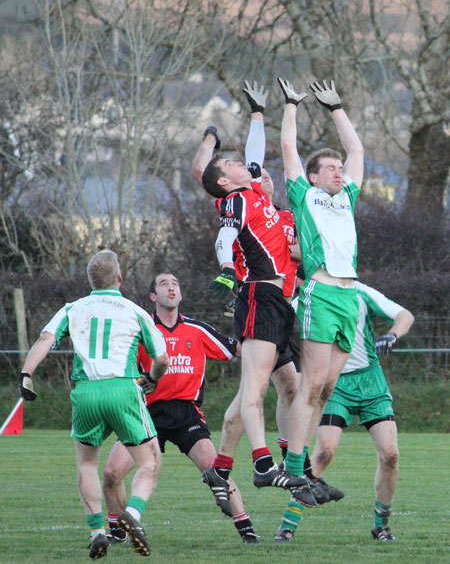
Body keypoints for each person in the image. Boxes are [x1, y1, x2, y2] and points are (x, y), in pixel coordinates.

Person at [197, 80, 316, 507]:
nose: (246, 165)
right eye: (231, 164)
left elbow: (255, 154)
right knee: (257, 390)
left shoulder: (261, 199)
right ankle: (266, 465)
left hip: (280, 305)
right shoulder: (236, 201)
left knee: (273, 386)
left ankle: (222, 469)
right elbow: (224, 238)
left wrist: (258, 112)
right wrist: (227, 270)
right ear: (226, 181)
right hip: (258, 299)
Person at [18, 250, 169, 560]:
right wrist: (152, 378)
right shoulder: (134, 310)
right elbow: (162, 359)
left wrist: (26, 373)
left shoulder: (73, 308)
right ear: (120, 278)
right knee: (149, 462)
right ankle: (134, 514)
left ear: (90, 280)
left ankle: (97, 532)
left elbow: (45, 339)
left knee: (87, 465)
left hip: (85, 392)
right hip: (122, 389)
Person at [102, 272, 261, 544]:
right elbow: (119, 370)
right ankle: (117, 530)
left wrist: (265, 348)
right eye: (163, 284)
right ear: (153, 297)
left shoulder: (197, 330)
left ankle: (247, 531)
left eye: (175, 283)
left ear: (181, 294)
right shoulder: (140, 331)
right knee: (111, 473)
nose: (171, 287)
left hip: (186, 414)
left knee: (217, 472)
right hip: (146, 413)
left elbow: (242, 351)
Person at [277, 77, 364, 500]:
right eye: (330, 168)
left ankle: (305, 469)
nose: (339, 171)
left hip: (351, 297)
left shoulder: (347, 196)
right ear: (313, 177)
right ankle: (293, 470)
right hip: (321, 292)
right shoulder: (304, 195)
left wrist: (337, 107)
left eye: (339, 168)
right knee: (311, 385)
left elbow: (358, 151)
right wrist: (292, 103)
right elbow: (289, 151)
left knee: (327, 390)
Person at [275, 282, 414, 541]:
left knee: (391, 455)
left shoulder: (359, 292)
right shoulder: (305, 300)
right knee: (324, 452)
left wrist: (391, 335)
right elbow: (281, 338)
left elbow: (405, 315)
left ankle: (381, 525)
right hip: (334, 384)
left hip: (371, 383)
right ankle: (288, 525)